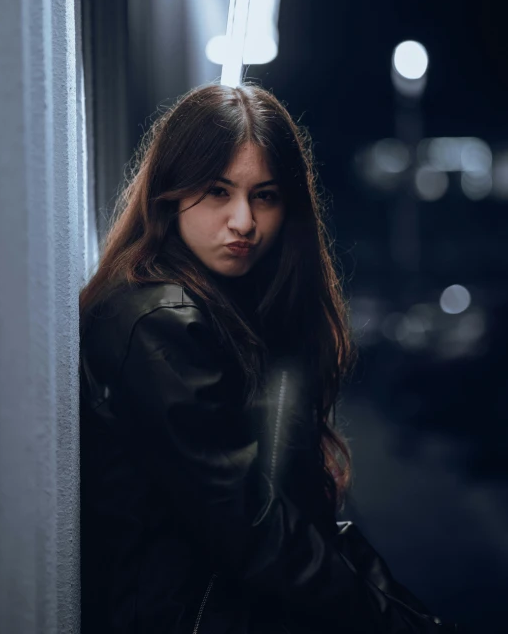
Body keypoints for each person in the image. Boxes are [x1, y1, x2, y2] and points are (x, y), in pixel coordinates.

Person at [79, 82, 456, 633]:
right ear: (170, 191)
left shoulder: (231, 307)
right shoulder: (161, 320)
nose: (244, 222)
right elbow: (256, 528)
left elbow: (303, 517)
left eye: (265, 195)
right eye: (216, 191)